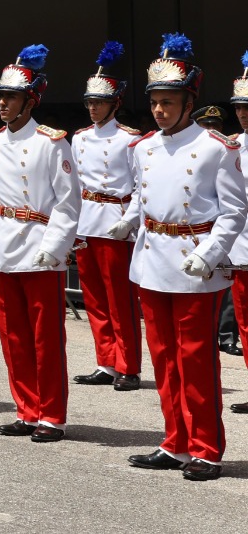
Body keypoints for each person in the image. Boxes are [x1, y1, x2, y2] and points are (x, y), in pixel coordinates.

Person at [124, 34, 246, 481]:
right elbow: (143, 197)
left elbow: (234, 211)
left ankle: (207, 448)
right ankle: (174, 442)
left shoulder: (217, 147)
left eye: (169, 101)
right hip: (153, 258)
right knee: (163, 359)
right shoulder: (143, 148)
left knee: (196, 359)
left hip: (195, 265)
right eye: (155, 101)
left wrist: (211, 252)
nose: (159, 110)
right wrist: (129, 220)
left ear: (188, 101)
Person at [0, 45, 80, 444]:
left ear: (30, 100)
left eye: (11, 97)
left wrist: (55, 247)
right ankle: (26, 409)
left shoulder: (52, 143)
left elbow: (67, 202)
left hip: (40, 247)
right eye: (1, 97)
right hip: (5, 246)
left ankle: (51, 414)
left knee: (46, 338)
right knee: (14, 336)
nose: (3, 104)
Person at [71, 41, 144, 391]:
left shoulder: (130, 140)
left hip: (116, 220)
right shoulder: (79, 138)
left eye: (99, 102)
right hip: (87, 219)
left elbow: (141, 187)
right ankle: (106, 361)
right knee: (95, 297)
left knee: (121, 298)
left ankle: (128, 365)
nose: (93, 108)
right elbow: (73, 186)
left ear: (114, 104)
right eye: (89, 102)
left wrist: (129, 219)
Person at [228, 52, 248, 403]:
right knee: (244, 322)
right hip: (242, 245)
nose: (243, 114)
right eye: (240, 108)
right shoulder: (231, 145)